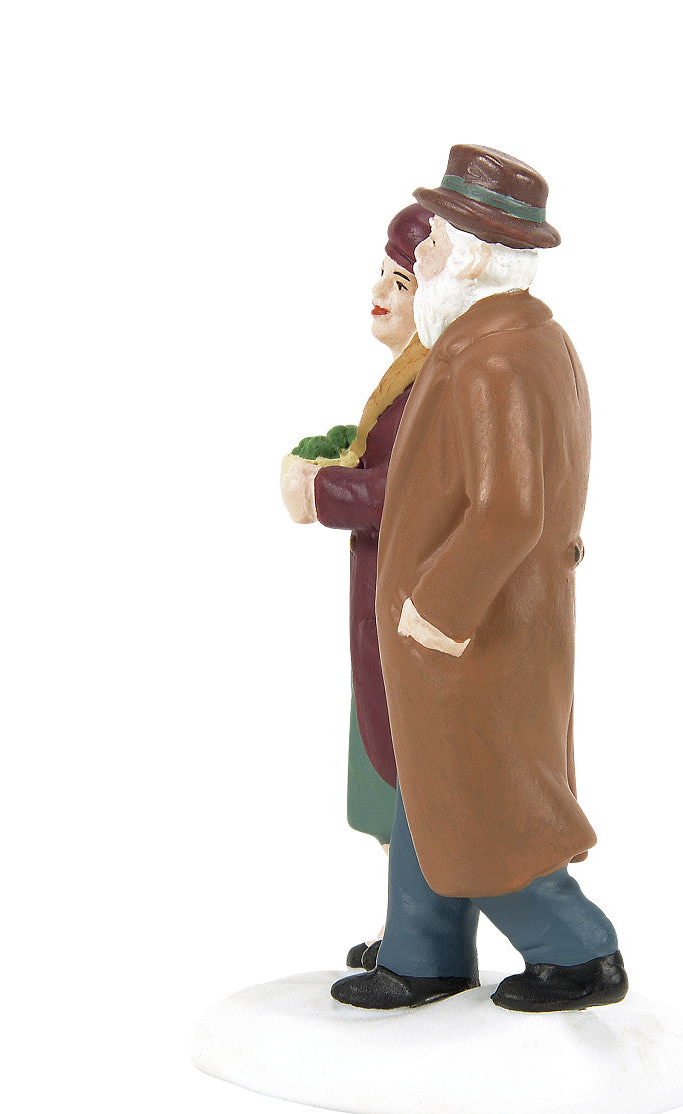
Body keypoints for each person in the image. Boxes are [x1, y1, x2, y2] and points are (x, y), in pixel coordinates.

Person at [331, 145, 627, 1014]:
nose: (420, 258)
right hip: (469, 628)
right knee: (432, 787)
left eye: (431, 246)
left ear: (468, 257)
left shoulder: (494, 357)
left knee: (483, 802)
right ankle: (422, 953)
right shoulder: (501, 340)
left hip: (476, 628)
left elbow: (509, 510)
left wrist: (438, 609)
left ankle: (576, 951)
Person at [279, 203, 433, 969]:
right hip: (383, 611)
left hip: (410, 613)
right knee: (383, 772)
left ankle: (420, 941)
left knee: (407, 777)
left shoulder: (435, 382)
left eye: (400, 282)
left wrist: (319, 491)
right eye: (381, 275)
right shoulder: (409, 377)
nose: (379, 292)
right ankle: (410, 933)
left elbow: (407, 489)